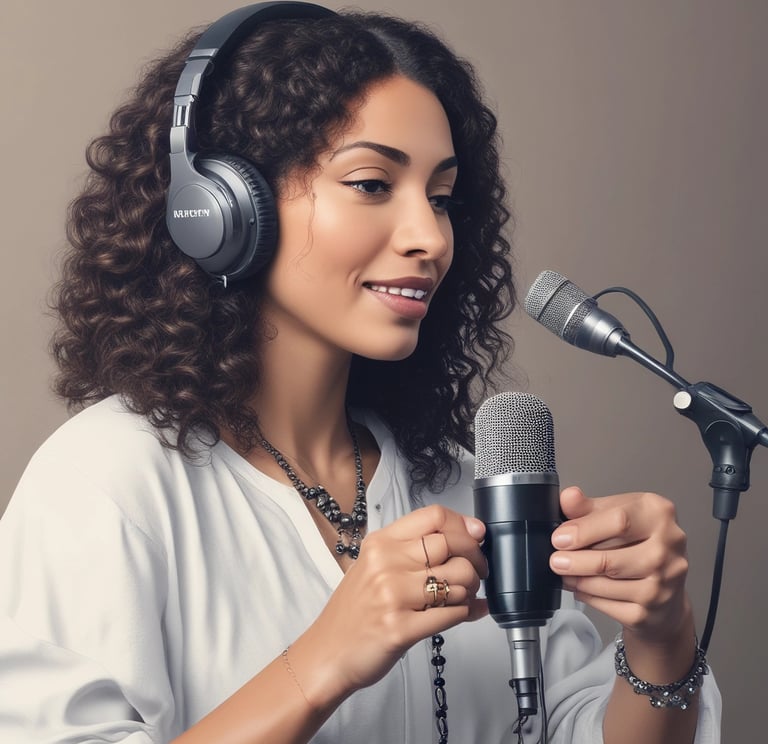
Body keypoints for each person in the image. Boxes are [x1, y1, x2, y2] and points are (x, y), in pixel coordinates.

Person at [0, 3, 720, 743]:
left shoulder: (463, 490)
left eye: (441, 199)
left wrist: (662, 637)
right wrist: (323, 659)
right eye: (373, 184)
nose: (429, 237)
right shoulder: (106, 483)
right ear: (218, 213)